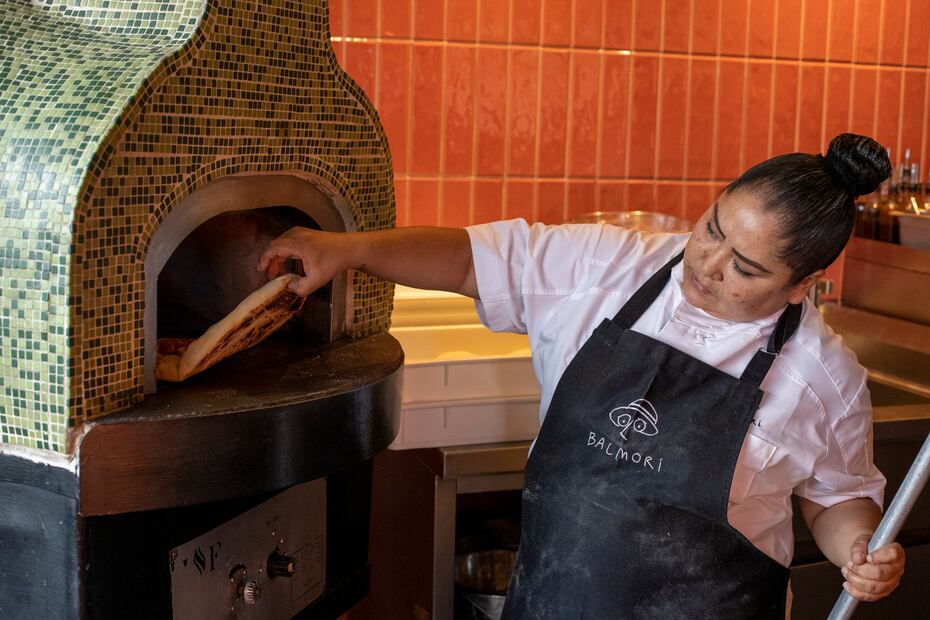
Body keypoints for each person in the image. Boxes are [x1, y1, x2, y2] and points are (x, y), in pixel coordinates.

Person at [259, 133, 906, 617]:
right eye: (711, 229)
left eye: (746, 268)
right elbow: (468, 261)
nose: (707, 265)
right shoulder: (610, 268)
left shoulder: (824, 377)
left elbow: (836, 494)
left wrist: (858, 547)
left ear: (802, 287)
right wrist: (349, 250)